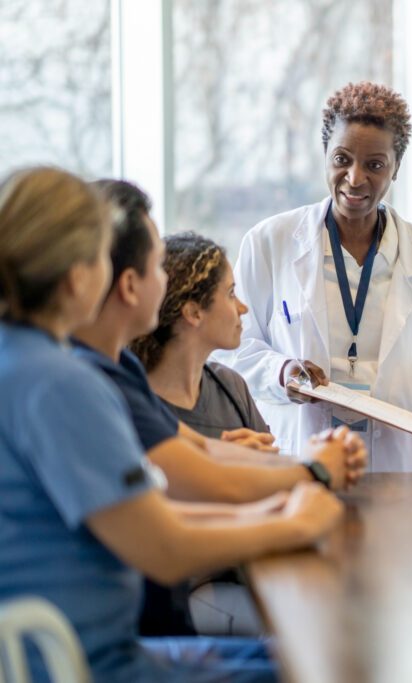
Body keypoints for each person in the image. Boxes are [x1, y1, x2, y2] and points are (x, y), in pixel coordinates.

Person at [0, 166, 345, 682]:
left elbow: (151, 514)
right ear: (78, 278)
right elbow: (163, 548)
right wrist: (294, 521)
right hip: (91, 665)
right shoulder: (60, 383)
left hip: (81, 651)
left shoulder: (25, 360)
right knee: (322, 665)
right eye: (103, 257)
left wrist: (272, 509)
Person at [74, 179, 365, 637]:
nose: (166, 280)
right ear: (130, 284)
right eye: (158, 267)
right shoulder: (82, 382)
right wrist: (309, 480)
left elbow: (198, 461)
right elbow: (173, 520)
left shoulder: (115, 373)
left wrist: (287, 491)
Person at [221, 81, 412, 470]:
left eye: (375, 164)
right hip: (302, 453)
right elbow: (232, 350)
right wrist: (281, 372)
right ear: (325, 157)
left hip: (399, 464)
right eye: (342, 159)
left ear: (396, 168)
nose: (354, 178)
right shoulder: (269, 243)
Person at [132, 232, 273, 448]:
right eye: (231, 293)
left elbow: (274, 471)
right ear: (194, 313)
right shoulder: (133, 402)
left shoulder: (231, 386)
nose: (243, 308)